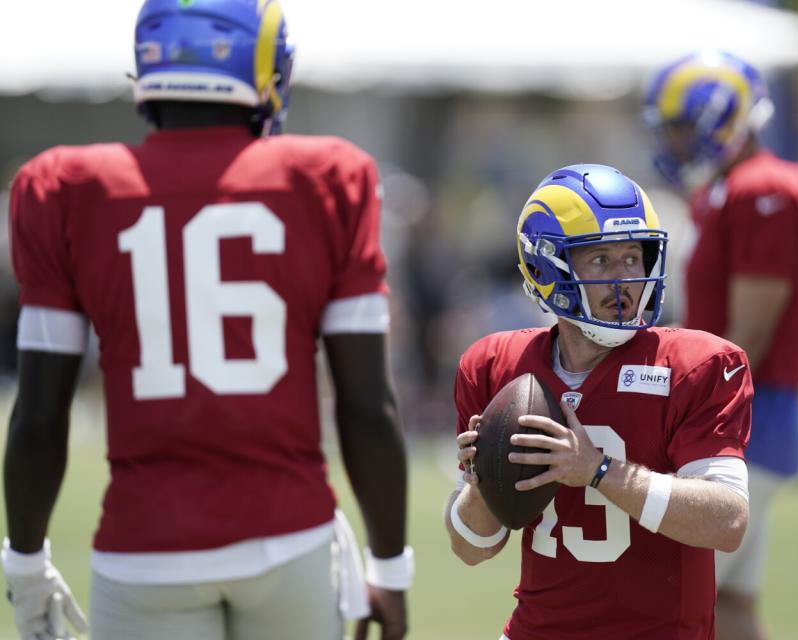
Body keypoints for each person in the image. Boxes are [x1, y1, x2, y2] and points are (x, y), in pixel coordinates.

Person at [2, 1, 410, 639]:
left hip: (144, 545)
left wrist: (24, 562)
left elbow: (39, 413)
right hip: (289, 537)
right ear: (263, 63)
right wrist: (391, 564)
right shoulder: (329, 176)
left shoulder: (63, 186)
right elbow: (366, 405)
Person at [445, 164, 753, 639]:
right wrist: (481, 479)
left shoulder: (696, 364)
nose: (624, 279)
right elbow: (472, 548)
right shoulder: (496, 366)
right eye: (601, 260)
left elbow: (727, 522)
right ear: (547, 268)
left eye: (633, 257)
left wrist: (597, 470)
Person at [645, 51, 798, 640]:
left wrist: (677, 410)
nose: (672, 141)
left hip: (745, 420)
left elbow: (746, 338)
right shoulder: (725, 190)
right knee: (735, 607)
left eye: (680, 127)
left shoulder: (763, 188)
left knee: (662, 605)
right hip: (746, 418)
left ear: (720, 118)